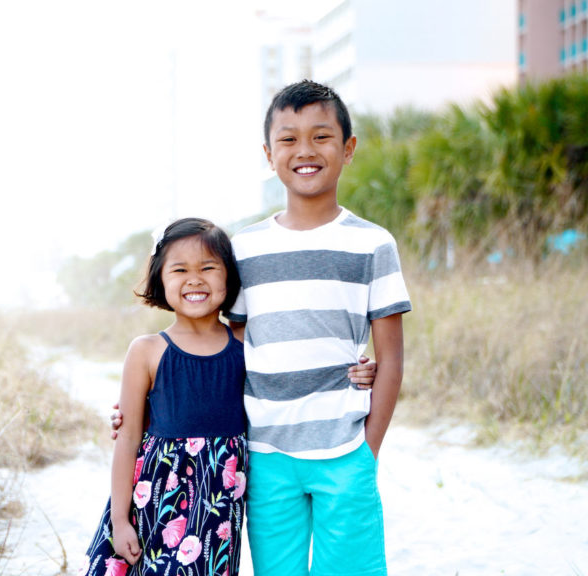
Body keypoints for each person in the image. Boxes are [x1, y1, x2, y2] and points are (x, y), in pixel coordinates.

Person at [227, 79, 410, 576]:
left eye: (321, 136)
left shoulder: (373, 244)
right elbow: (230, 348)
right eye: (288, 139)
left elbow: (390, 355)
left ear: (347, 148)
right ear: (269, 154)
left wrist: (367, 448)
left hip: (345, 449)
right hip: (265, 453)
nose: (304, 151)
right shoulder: (244, 249)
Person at [78, 217, 249, 576]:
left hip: (217, 504)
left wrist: (360, 368)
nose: (195, 278)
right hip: (156, 500)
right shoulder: (147, 351)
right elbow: (127, 440)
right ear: (160, 278)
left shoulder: (245, 345)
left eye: (208, 267)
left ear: (229, 276)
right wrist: (121, 520)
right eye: (179, 269)